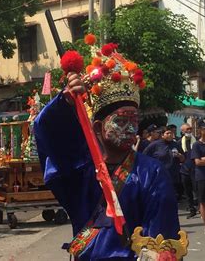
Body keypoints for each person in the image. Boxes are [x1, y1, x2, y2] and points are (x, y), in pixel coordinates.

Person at [34, 42, 182, 259]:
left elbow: (162, 233)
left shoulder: (152, 172)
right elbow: (52, 138)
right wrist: (65, 102)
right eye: (121, 120)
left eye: (134, 120)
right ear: (97, 127)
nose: (131, 128)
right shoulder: (82, 170)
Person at [144, 125, 185, 200]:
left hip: (173, 176)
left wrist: (180, 156)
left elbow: (183, 159)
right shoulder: (155, 145)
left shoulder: (176, 144)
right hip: (159, 177)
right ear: (162, 135)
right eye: (167, 133)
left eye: (171, 133)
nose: (170, 135)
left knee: (171, 198)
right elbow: (144, 157)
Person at [178, 123, 198, 219]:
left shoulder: (197, 141)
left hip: (195, 169)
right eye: (187, 129)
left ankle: (201, 209)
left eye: (190, 129)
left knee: (197, 190)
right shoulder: (179, 142)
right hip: (184, 169)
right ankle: (191, 209)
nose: (189, 131)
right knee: (187, 191)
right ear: (182, 131)